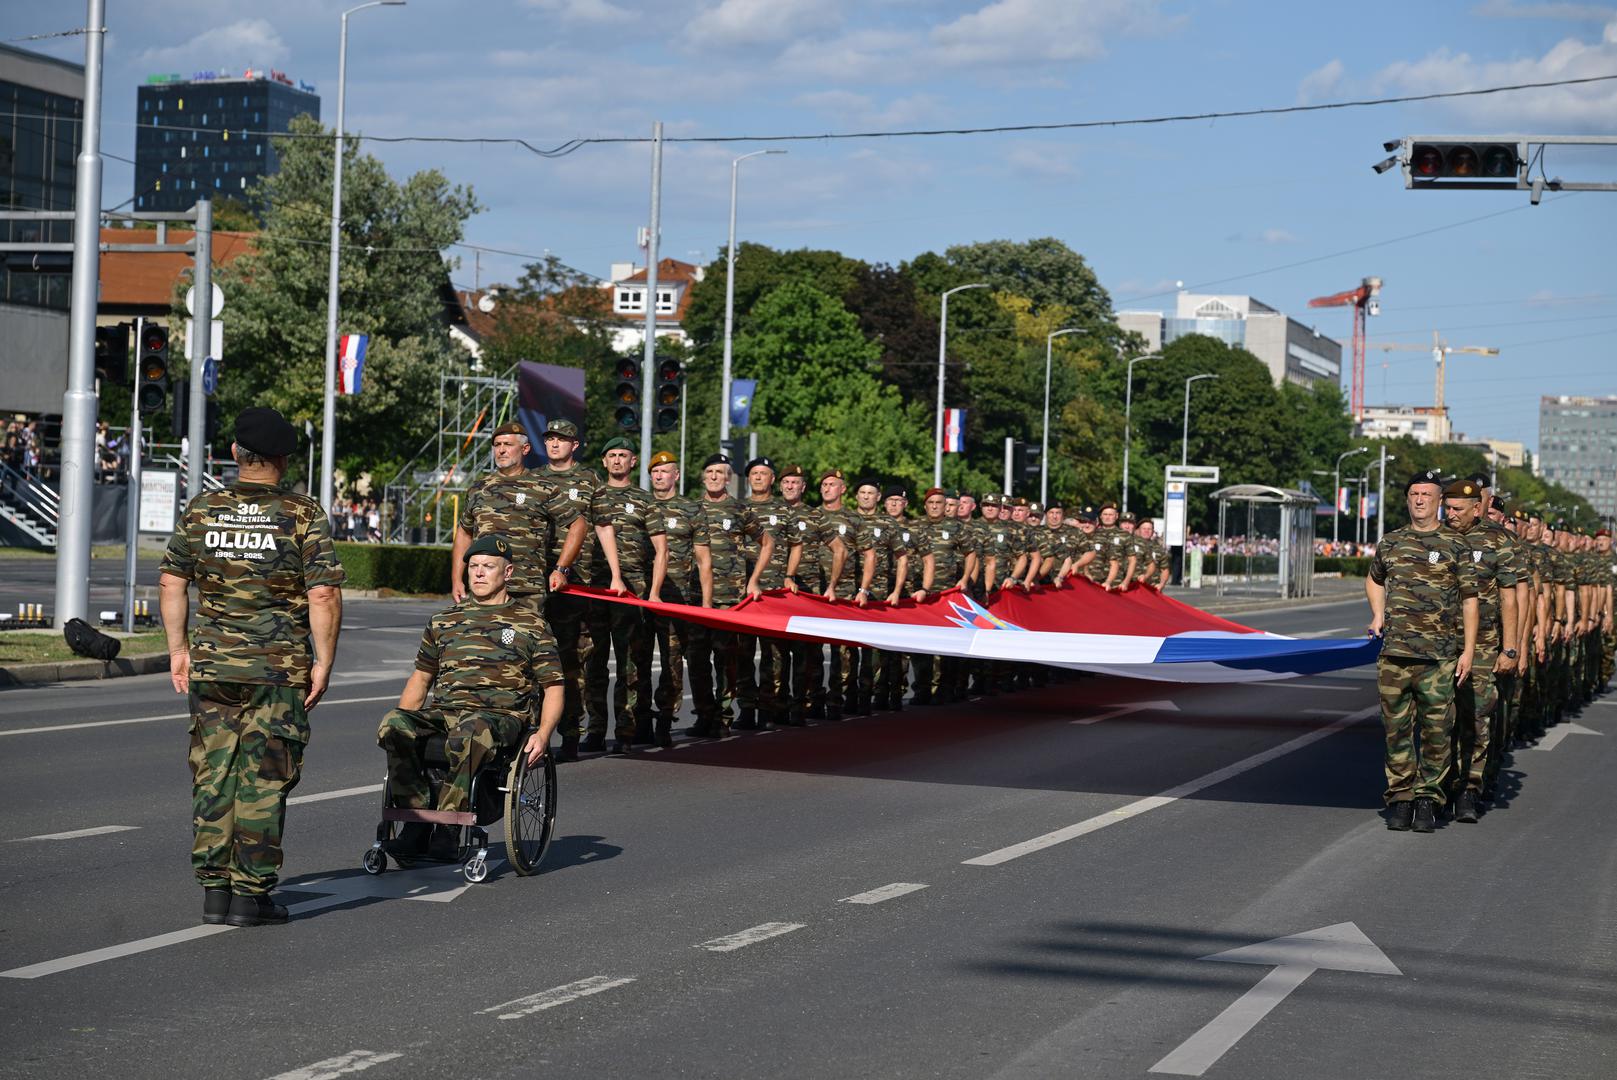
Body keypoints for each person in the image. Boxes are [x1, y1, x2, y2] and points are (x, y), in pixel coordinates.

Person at [158, 406, 344, 928]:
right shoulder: (302, 513)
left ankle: (214, 891)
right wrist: (324, 661)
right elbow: (323, 593)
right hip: (277, 669)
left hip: (213, 663)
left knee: (213, 773)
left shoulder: (202, 509)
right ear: (283, 460)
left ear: (238, 454)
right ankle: (250, 895)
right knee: (264, 777)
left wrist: (178, 650)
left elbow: (173, 581)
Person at [377, 535, 564, 860]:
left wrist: (544, 734)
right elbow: (421, 679)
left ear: (507, 573)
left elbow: (554, 687)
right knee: (393, 724)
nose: (478, 573)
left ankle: (448, 830)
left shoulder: (531, 624)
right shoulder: (444, 621)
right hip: (448, 711)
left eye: (487, 567)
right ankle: (416, 822)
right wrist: (405, 728)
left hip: (502, 718)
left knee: (471, 731)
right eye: (473, 566)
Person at [1365, 469, 1478, 834]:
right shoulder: (1392, 541)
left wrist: (1469, 651)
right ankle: (1400, 798)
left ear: (1438, 501)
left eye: (1427, 494)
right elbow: (1374, 577)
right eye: (1414, 493)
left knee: (1436, 734)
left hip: (1439, 657)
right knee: (1396, 733)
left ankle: (1428, 798)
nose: (1419, 500)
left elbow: (1469, 600)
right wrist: (1378, 613)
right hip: (1395, 656)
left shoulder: (1455, 544)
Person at [582, 436, 667, 753]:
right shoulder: (593, 496)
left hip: (633, 589)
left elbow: (662, 550)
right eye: (612, 455)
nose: (617, 460)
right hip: (595, 588)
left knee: (631, 664)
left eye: (624, 455)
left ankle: (627, 729)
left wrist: (655, 592)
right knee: (594, 663)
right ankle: (595, 729)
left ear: (634, 462)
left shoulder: (645, 501)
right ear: (604, 461)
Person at [1440, 478, 1518, 823]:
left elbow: (1509, 596)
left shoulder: (1498, 539)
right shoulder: (1436, 536)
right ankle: (1441, 785)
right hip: (1440, 642)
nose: (1451, 514)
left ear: (1477, 508)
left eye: (1459, 508)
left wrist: (1511, 648)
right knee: (1440, 719)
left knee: (1476, 717)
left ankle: (1470, 789)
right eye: (1449, 507)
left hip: (1485, 643)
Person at [687, 454, 772, 736]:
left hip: (730, 598)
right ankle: (703, 714)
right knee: (697, 660)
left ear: (728, 478)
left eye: (719, 472)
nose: (713, 476)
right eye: (709, 471)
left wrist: (754, 580)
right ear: (703, 477)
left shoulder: (739, 509)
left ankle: (723, 716)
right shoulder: (691, 508)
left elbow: (766, 542)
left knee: (727, 660)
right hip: (696, 598)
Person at [537, 419, 600, 760]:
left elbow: (605, 527)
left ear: (575, 444)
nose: (555, 443)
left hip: (579, 584)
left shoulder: (589, 479)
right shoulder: (535, 479)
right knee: (535, 662)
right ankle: (533, 733)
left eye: (561, 439)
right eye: (550, 438)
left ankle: (572, 733)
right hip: (538, 584)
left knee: (572, 662)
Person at [648, 450, 713, 746]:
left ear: (676, 475)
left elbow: (704, 560)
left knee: (673, 661)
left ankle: (664, 720)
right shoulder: (642, 504)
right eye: (655, 472)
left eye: (665, 472)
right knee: (635, 662)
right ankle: (636, 722)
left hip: (677, 600)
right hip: (639, 596)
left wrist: (707, 606)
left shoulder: (691, 509)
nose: (659, 476)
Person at [780, 463, 846, 723]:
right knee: (776, 656)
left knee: (807, 655)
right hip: (775, 593)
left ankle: (807, 704)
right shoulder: (769, 512)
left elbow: (839, 550)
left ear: (803, 487)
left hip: (806, 594)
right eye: (786, 482)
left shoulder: (816, 517)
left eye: (795, 482)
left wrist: (831, 586)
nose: (790, 486)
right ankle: (777, 706)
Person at [818, 468, 872, 719]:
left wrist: (863, 589)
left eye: (832, 484)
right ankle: (814, 701)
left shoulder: (854, 519)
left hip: (845, 593)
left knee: (845, 653)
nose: (827, 488)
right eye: (824, 484)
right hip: (814, 592)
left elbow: (869, 555)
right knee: (812, 650)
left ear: (842, 489)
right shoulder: (812, 516)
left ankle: (843, 699)